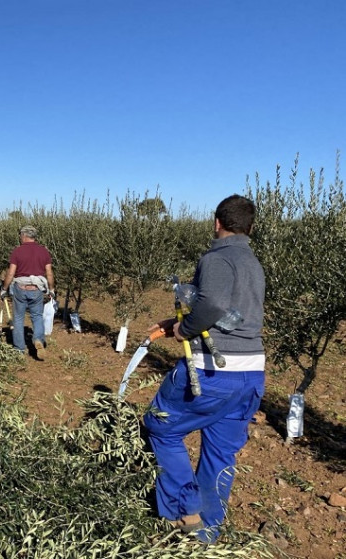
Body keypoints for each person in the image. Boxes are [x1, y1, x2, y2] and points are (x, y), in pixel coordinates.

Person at [143, 194, 265, 543]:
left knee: (160, 424)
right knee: (220, 450)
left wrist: (184, 329)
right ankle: (207, 533)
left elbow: (212, 303)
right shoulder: (253, 265)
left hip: (214, 371)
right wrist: (179, 321)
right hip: (251, 375)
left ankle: (185, 509)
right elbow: (228, 315)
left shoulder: (217, 258)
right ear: (250, 227)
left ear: (217, 223)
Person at [0, 225, 55, 358]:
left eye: (20, 235)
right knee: (37, 316)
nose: (20, 238)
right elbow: (49, 273)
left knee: (18, 318)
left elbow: (11, 273)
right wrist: (51, 289)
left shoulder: (17, 251)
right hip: (36, 290)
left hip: (20, 289)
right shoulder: (44, 252)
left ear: (24, 236)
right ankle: (38, 339)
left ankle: (19, 349)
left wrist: (4, 289)